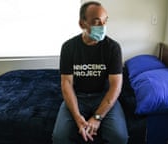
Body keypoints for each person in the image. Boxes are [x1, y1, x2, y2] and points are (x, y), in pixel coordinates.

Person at [52, 1, 128, 144]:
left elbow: (115, 87)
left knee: (120, 137)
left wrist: (97, 117)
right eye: (97, 22)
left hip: (103, 96)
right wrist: (77, 117)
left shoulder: (113, 48)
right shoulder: (69, 47)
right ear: (82, 24)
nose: (103, 27)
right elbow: (66, 83)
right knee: (59, 137)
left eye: (105, 22)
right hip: (78, 96)